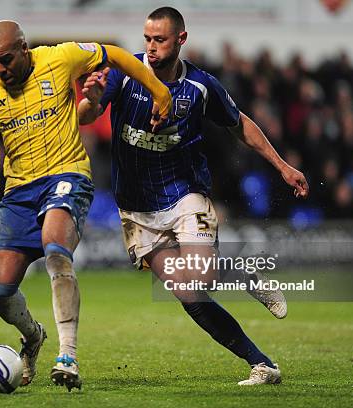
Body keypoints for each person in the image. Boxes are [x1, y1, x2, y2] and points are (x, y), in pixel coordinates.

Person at [0, 20, 173, 391]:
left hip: (67, 175)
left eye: (6, 59)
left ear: (24, 48)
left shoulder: (60, 58)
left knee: (56, 250)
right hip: (18, 191)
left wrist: (159, 92)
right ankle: (33, 336)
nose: (0, 68)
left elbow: (113, 54)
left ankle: (68, 355)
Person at [78, 7, 309, 385]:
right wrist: (92, 98)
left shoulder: (200, 86)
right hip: (136, 210)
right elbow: (88, 115)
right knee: (190, 296)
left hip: (185, 195)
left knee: (199, 277)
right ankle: (262, 364)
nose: (151, 47)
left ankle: (249, 279)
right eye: (147, 39)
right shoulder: (123, 73)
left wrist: (282, 166)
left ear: (180, 39)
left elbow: (241, 125)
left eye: (160, 40)